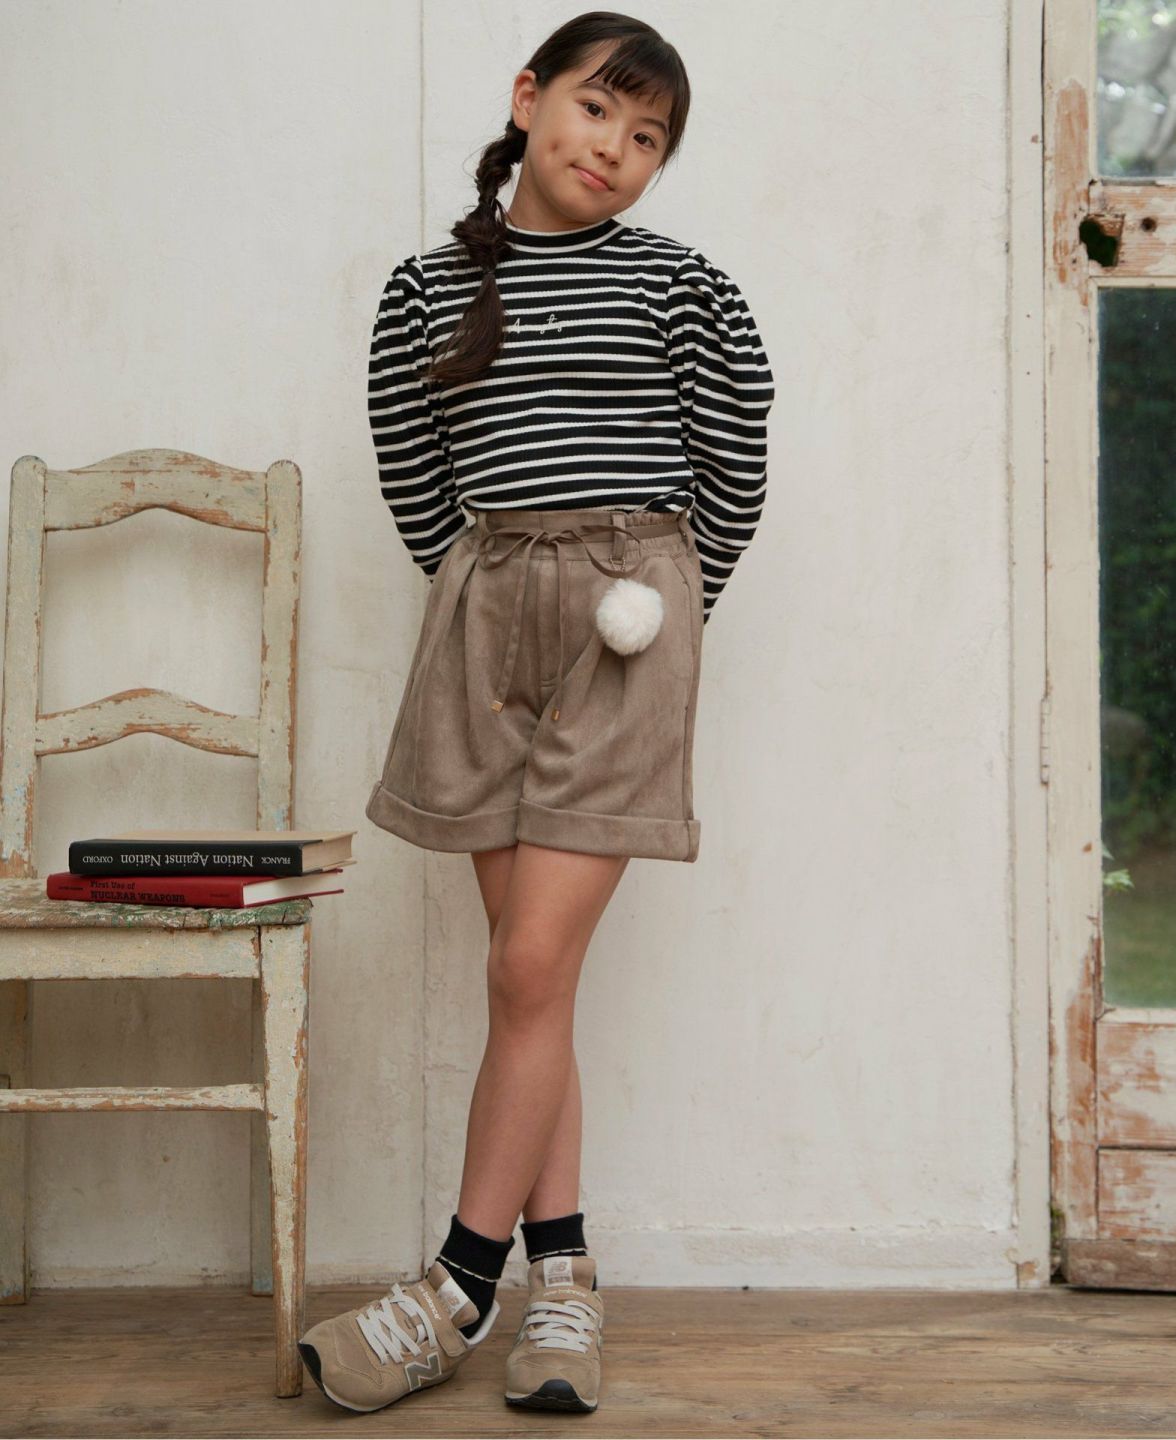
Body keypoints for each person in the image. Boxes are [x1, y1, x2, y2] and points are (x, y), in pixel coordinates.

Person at [299, 9, 774, 1417]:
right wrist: (488, 599)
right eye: (595, 109)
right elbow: (413, 475)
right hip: (485, 618)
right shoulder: (424, 289)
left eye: (648, 136)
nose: (614, 148)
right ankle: (562, 1278)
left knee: (524, 969)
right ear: (529, 99)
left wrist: (665, 609)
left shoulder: (683, 285)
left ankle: (455, 1287)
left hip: (631, 626)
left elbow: (734, 468)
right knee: (534, 977)